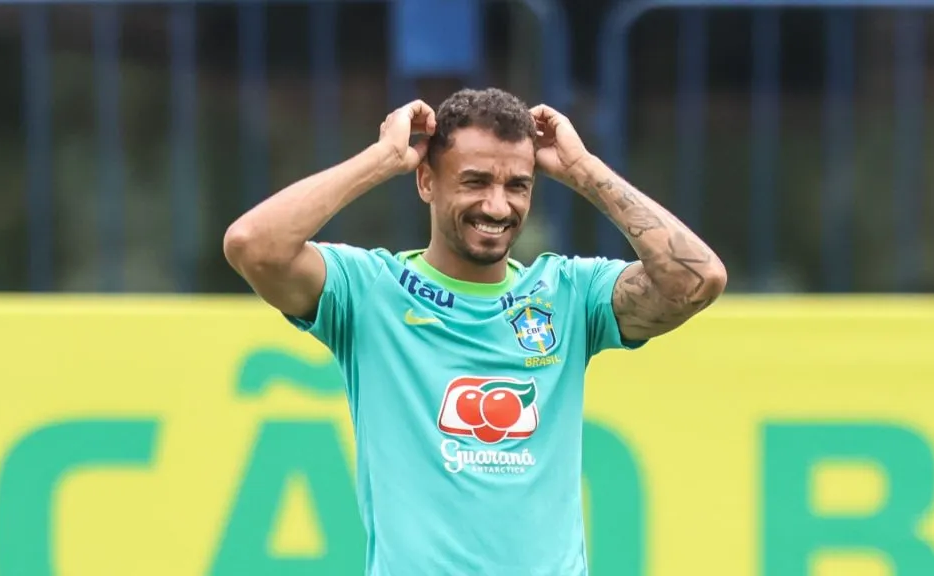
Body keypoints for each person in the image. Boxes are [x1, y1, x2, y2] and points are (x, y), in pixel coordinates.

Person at [224, 88, 727, 576]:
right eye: (474, 182)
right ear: (426, 182)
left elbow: (697, 278)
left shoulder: (568, 292)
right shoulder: (368, 290)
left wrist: (584, 171)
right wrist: (381, 159)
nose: (497, 206)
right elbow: (253, 245)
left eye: (517, 186)